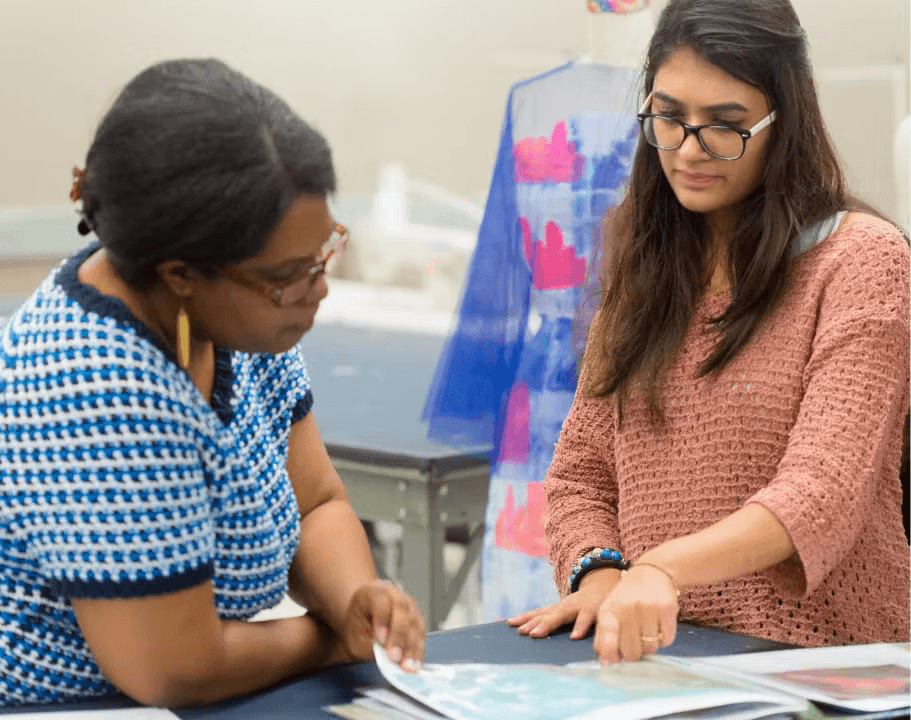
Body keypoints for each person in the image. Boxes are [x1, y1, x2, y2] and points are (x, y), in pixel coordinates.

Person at [0, 59, 425, 708]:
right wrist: (331, 641)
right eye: (291, 273)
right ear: (180, 273)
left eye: (324, 251)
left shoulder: (235, 318)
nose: (319, 289)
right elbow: (173, 668)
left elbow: (314, 504)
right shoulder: (98, 387)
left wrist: (355, 602)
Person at [509, 0, 910, 664]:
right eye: (668, 118)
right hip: (663, 663)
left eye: (725, 126)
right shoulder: (645, 261)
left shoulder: (861, 262)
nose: (689, 150)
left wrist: (662, 568)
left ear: (785, 124)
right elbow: (580, 475)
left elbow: (823, 492)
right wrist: (602, 573)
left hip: (829, 663)